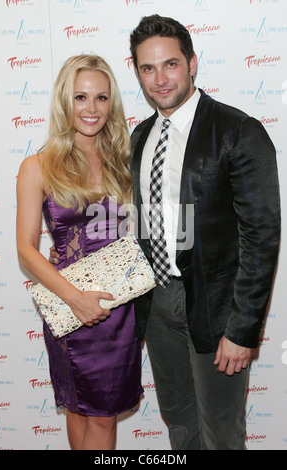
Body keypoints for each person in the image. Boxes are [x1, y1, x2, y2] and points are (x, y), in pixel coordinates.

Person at [128, 15, 281, 450]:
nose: (160, 79)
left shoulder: (237, 130)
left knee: (221, 432)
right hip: (157, 306)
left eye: (171, 64)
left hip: (216, 309)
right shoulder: (140, 136)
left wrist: (242, 328)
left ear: (192, 63)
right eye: (148, 68)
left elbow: (262, 235)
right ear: (136, 71)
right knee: (179, 423)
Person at [16, 54, 143, 450]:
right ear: (63, 101)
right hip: (69, 305)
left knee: (102, 419)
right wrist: (74, 299)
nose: (91, 109)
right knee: (77, 409)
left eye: (101, 98)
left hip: (119, 309)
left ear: (112, 103)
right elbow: (25, 249)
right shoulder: (37, 165)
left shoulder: (125, 160)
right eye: (80, 97)